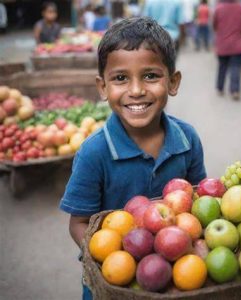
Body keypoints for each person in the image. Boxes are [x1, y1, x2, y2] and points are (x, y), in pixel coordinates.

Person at [59, 17, 206, 300]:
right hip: (112, 284)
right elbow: (79, 222)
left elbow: (198, 202)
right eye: (120, 78)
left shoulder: (187, 140)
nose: (136, 90)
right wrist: (105, 259)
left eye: (151, 76)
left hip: (174, 274)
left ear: (173, 82)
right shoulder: (94, 153)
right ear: (103, 87)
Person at [213, 0, 241, 100]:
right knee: (236, 67)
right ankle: (235, 91)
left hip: (222, 44)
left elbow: (214, 25)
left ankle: (220, 88)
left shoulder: (218, 8)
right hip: (237, 44)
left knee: (222, 67)